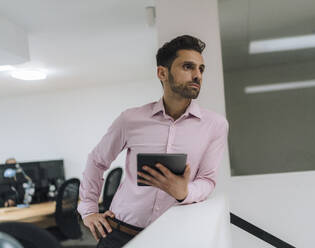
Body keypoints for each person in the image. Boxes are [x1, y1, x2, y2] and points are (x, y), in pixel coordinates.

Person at [77, 35, 229, 248]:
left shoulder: (215, 125)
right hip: (120, 234)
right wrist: (89, 210)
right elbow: (97, 160)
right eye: (188, 67)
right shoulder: (130, 119)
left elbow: (207, 180)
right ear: (162, 73)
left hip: (175, 238)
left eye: (201, 69)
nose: (197, 75)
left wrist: (183, 192)